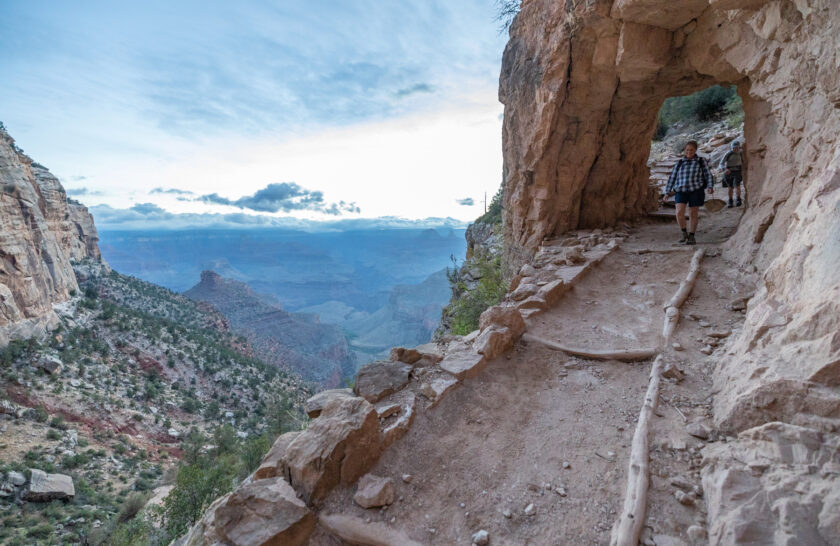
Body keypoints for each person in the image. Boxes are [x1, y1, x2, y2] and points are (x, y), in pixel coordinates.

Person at [665, 140, 715, 245]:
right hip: (681, 190)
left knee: (693, 213)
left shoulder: (701, 161)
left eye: (691, 150)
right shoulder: (679, 163)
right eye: (687, 150)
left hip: (695, 190)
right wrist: (667, 191)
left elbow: (708, 175)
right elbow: (672, 178)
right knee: (679, 212)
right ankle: (684, 233)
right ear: (684, 150)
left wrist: (710, 186)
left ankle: (692, 236)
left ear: (695, 150)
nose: (689, 152)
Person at [719, 140, 743, 207]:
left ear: (739, 147)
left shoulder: (740, 153)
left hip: (737, 171)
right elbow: (721, 164)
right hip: (729, 172)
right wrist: (725, 169)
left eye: (737, 148)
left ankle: (738, 199)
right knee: (730, 187)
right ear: (731, 148)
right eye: (734, 148)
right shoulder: (728, 154)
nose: (735, 149)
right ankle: (730, 200)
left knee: (737, 186)